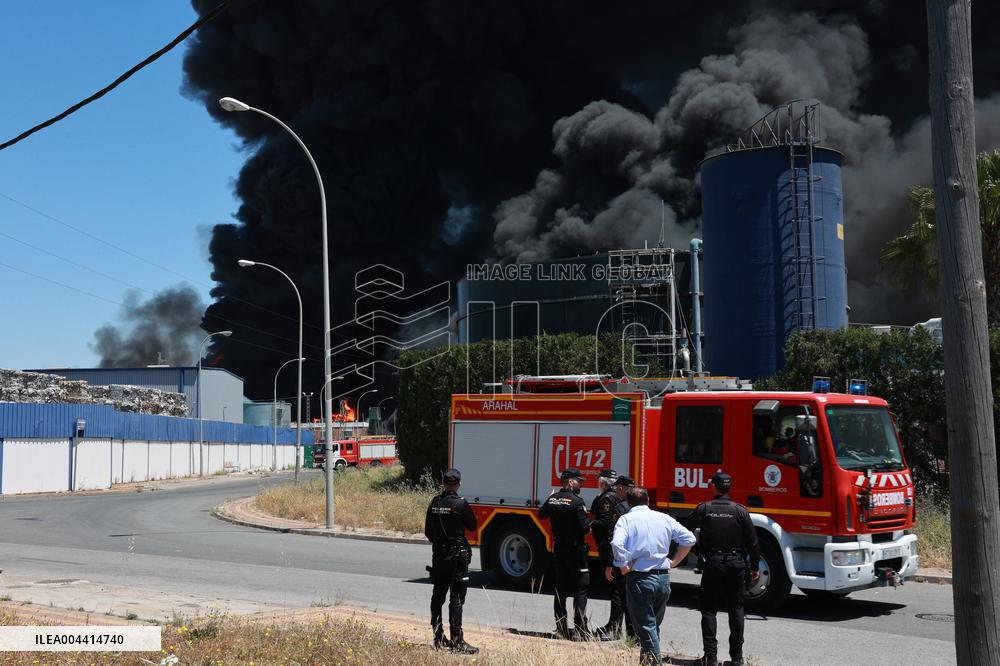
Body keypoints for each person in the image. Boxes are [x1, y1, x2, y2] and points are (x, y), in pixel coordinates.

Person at [612, 487, 695, 665]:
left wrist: (623, 565)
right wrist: (674, 562)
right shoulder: (663, 518)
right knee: (652, 627)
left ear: (628, 503)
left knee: (646, 628)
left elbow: (617, 544)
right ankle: (647, 662)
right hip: (663, 578)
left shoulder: (626, 519)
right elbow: (689, 539)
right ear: (648, 501)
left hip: (640, 579)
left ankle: (654, 663)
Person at [684, 471, 760, 666]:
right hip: (737, 565)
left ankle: (710, 658)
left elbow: (683, 532)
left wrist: (698, 552)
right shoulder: (740, 510)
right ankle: (737, 659)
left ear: (713, 487)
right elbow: (753, 542)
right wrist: (754, 566)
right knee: (737, 610)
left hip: (713, 563)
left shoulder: (704, 508)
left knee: (709, 610)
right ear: (730, 487)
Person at [424, 467, 479, 654]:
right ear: (459, 484)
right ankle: (457, 641)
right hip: (457, 557)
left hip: (439, 556)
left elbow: (428, 532)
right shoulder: (460, 504)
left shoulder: (434, 502)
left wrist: (441, 543)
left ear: (443, 483)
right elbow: (472, 526)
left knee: (438, 596)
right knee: (456, 598)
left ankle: (438, 637)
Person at [539, 467, 591, 639]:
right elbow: (584, 529)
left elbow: (542, 514)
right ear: (570, 482)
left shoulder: (553, 499)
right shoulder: (577, 501)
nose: (580, 484)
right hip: (576, 551)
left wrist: (550, 498)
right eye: (578, 481)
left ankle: (561, 628)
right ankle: (580, 630)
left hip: (559, 549)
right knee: (580, 588)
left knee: (561, 589)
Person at [592, 471, 635, 640]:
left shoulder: (611, 501)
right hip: (625, 553)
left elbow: (609, 528)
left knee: (616, 591)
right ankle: (617, 627)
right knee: (620, 591)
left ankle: (615, 628)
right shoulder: (626, 503)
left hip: (611, 551)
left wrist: (590, 523)